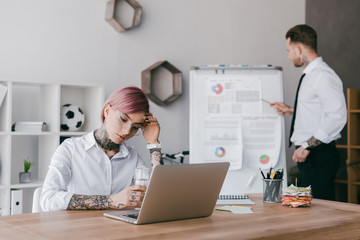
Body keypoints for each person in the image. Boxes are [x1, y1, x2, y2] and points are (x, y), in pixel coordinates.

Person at [40, 86, 162, 211]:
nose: (127, 131)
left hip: (120, 228)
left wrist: (153, 144)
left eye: (135, 127)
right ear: (107, 111)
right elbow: (48, 199)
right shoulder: (70, 149)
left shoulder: (133, 157)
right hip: (80, 228)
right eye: (123, 119)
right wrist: (112, 201)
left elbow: (156, 197)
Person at [271, 24, 347, 200]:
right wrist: (291, 110)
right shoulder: (310, 75)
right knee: (313, 211)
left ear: (298, 49)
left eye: (289, 50)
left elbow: (337, 116)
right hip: (310, 156)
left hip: (318, 154)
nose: (289, 57)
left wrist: (306, 146)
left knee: (321, 213)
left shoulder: (323, 75)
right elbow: (319, 108)